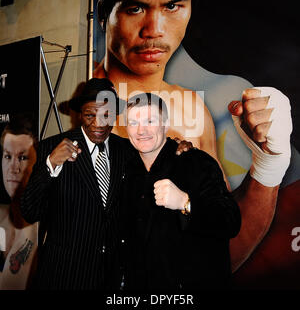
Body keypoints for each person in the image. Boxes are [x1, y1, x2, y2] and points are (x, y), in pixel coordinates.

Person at [92, 0, 293, 272]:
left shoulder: (190, 111)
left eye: (172, 6)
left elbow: (219, 252)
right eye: (135, 7)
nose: (154, 31)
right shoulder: (82, 109)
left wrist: (267, 166)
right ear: (104, 15)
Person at [20, 78, 190, 290]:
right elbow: (29, 211)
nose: (99, 124)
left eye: (106, 115)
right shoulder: (51, 148)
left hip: (110, 278)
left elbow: (157, 149)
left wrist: (179, 147)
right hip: (62, 275)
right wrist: (50, 165)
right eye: (90, 115)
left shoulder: (128, 150)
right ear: (80, 114)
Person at [121, 93, 241, 291]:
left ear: (165, 124)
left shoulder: (196, 162)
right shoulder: (126, 167)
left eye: (150, 121)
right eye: (133, 122)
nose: (141, 130)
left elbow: (231, 221)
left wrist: (186, 203)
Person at [0, 114, 38, 290]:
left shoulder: (48, 226)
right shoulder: (1, 219)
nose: (13, 168)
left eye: (23, 158)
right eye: (8, 156)